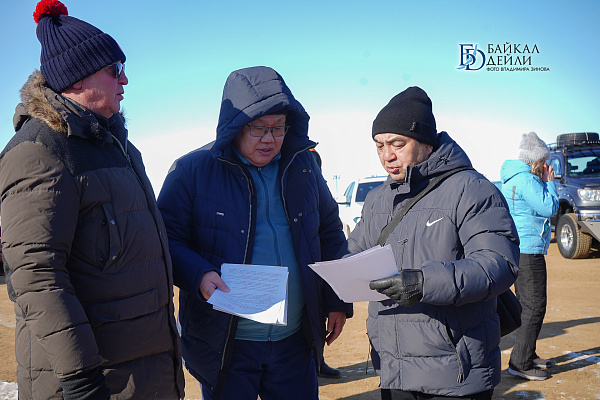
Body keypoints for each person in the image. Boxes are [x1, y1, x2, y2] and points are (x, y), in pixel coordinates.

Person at [0, 1, 184, 398]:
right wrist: (82, 381)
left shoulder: (120, 147)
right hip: (95, 382)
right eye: (114, 69)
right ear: (77, 77)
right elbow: (36, 275)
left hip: (145, 374)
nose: (125, 79)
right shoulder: (39, 151)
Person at [157, 66, 352, 400]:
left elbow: (330, 232)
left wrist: (337, 300)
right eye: (258, 128)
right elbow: (166, 241)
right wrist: (199, 274)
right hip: (226, 345)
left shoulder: (302, 165)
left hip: (295, 340)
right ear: (234, 126)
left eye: (278, 127)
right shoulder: (191, 170)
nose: (269, 138)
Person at [345, 87, 520, 400]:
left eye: (397, 144)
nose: (387, 156)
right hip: (394, 367)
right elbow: (353, 253)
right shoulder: (377, 199)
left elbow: (497, 263)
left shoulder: (472, 189)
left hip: (455, 371)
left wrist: (424, 282)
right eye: (379, 146)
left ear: (426, 142)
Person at [500, 132, 559, 381]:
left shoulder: (514, 178)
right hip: (530, 250)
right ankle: (520, 363)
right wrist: (550, 182)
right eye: (545, 161)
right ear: (537, 160)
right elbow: (550, 207)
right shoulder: (528, 180)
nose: (547, 165)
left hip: (518, 249)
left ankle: (528, 354)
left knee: (526, 305)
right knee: (534, 307)